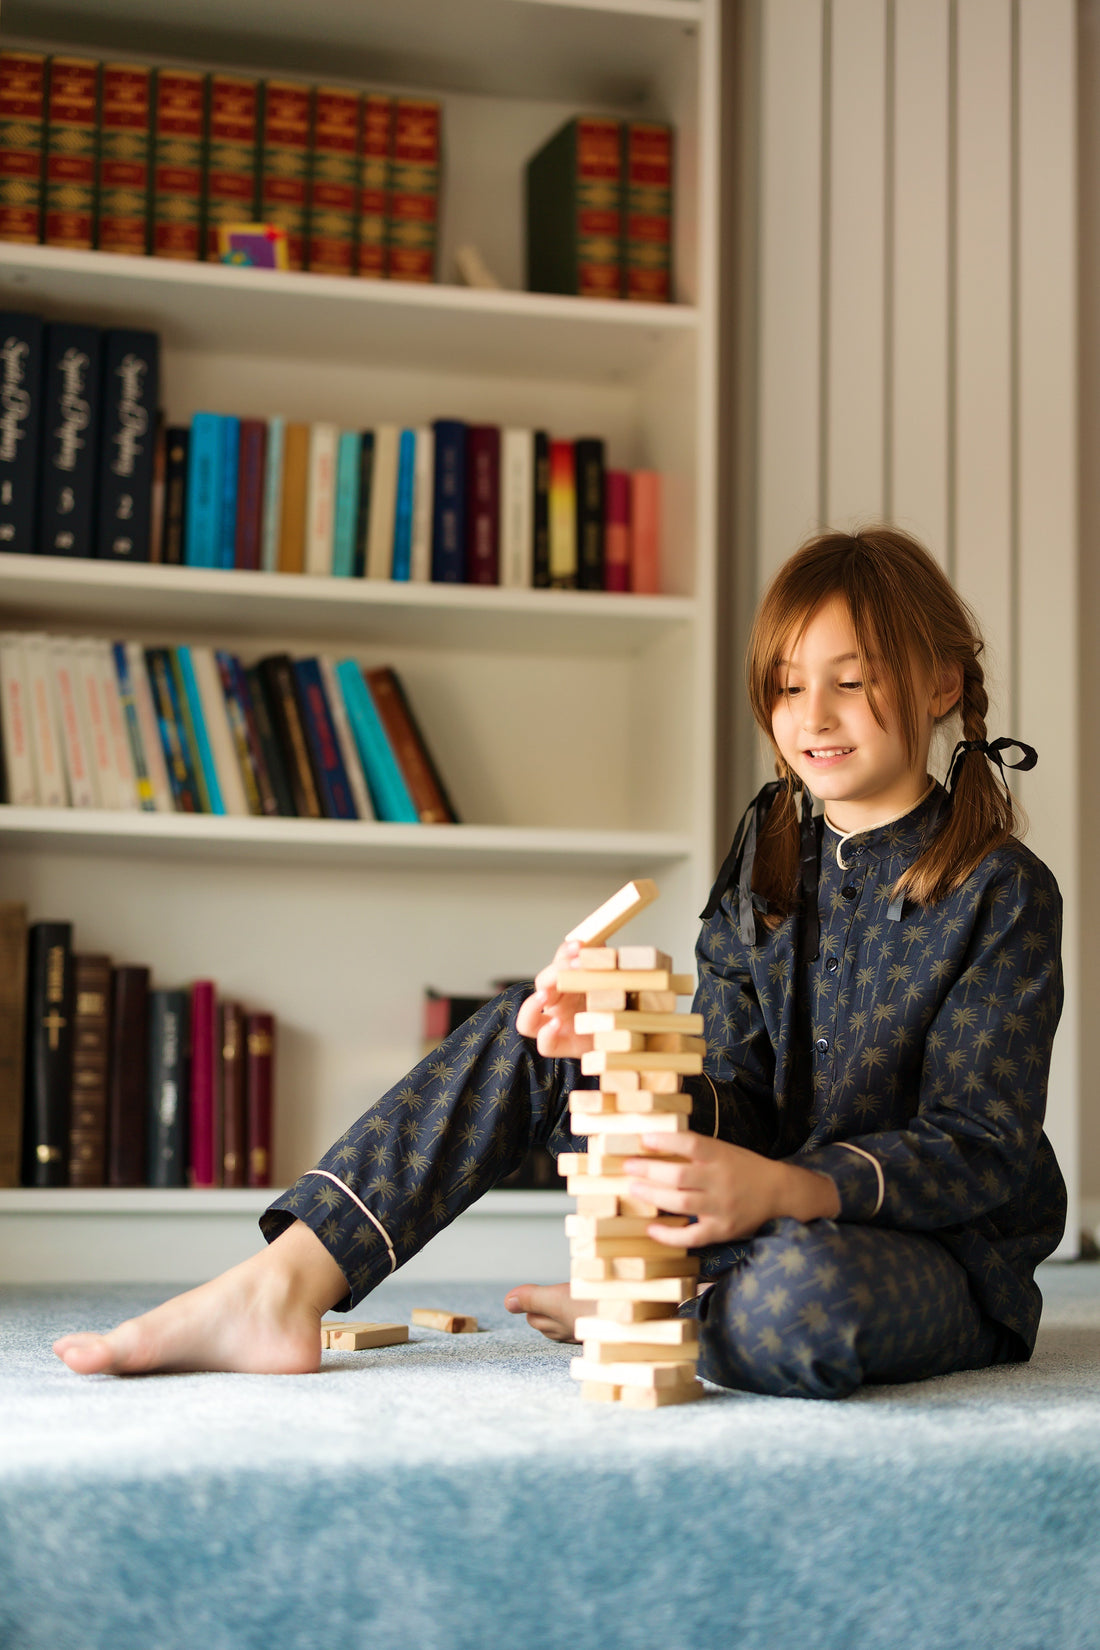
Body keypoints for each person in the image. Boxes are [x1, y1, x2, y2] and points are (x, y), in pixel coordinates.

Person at [53, 526, 1067, 1397]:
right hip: (747, 1209)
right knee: (531, 1023)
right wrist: (629, 1048)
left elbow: (980, 1146)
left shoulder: (1001, 891)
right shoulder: (766, 855)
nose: (810, 716)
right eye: (786, 685)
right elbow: (738, 1096)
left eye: (850, 682)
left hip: (932, 1253)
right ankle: (285, 1282)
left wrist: (787, 1192)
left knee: (801, 1307)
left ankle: (653, 1299)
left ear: (938, 682)